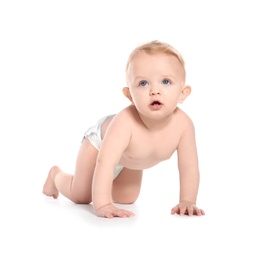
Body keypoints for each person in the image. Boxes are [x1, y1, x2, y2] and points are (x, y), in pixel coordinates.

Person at [43, 40, 205, 218]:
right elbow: (105, 162)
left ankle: (103, 184)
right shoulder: (125, 122)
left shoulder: (183, 125)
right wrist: (103, 204)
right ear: (129, 95)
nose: (154, 91)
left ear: (183, 93)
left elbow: (189, 166)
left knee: (126, 198)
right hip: (99, 146)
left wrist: (187, 201)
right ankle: (56, 176)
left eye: (166, 81)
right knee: (81, 194)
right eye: (143, 83)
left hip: (130, 158)